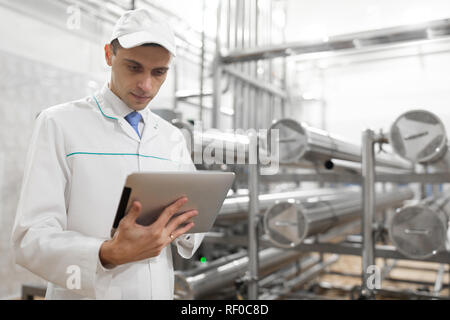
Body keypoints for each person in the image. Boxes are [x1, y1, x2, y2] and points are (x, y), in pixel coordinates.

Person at [11, 8, 204, 300]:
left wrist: (184, 226)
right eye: (134, 67)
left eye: (159, 72)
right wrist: (107, 253)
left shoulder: (170, 137)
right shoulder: (60, 124)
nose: (146, 85)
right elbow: (30, 238)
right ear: (108, 56)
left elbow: (193, 220)